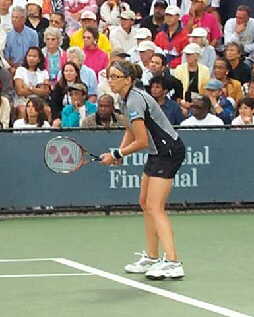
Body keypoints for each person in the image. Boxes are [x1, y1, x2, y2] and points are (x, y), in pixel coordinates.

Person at [100, 60, 186, 280]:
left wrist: (117, 155)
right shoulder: (124, 98)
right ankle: (152, 256)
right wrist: (118, 151)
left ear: (128, 79)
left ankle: (173, 262)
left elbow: (140, 141)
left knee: (155, 207)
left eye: (116, 76)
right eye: (110, 76)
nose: (111, 80)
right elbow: (131, 130)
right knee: (144, 203)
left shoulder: (136, 100)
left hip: (168, 152)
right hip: (157, 152)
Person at [14, 46, 50, 118]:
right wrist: (38, 90)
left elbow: (45, 91)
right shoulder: (20, 70)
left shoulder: (44, 72)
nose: (31, 58)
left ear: (39, 59)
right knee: (23, 110)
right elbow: (20, 91)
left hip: (39, 101)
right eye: (29, 56)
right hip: (23, 100)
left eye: (34, 56)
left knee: (47, 110)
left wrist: (30, 88)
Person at [4, 6, 39, 75]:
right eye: (12, 17)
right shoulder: (7, 35)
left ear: (23, 19)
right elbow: (6, 56)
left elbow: (35, 54)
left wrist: (25, 68)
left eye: (16, 17)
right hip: (12, 69)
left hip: (29, 67)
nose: (13, 19)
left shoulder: (33, 34)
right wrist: (12, 68)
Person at [154, 5, 189, 69]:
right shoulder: (160, 35)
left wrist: (170, 65)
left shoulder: (185, 36)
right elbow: (155, 52)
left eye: (171, 15)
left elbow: (185, 56)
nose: (168, 18)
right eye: (166, 15)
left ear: (178, 17)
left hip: (178, 69)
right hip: (160, 68)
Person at [49, 61, 82, 127]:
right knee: (56, 123)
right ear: (63, 73)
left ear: (76, 73)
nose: (68, 73)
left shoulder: (82, 87)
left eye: (71, 71)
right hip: (61, 115)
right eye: (66, 71)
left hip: (78, 113)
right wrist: (57, 118)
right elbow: (54, 105)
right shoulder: (58, 87)